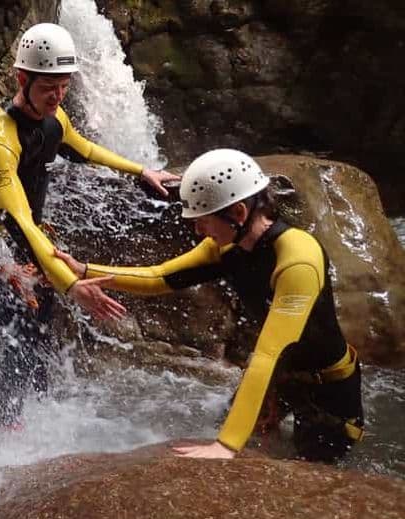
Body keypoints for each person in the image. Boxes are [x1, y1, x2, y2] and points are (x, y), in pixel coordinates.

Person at [54, 148, 364, 463]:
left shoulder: (298, 258)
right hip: (281, 375)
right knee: (231, 427)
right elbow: (159, 277)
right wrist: (84, 270)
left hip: (328, 393)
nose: (197, 230)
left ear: (239, 213)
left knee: (312, 467)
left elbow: (268, 354)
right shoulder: (229, 246)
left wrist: (226, 446)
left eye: (202, 221)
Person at [0, 22, 179, 429]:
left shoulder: (53, 118)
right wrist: (70, 282)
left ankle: (40, 405)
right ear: (22, 78)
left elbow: (83, 149)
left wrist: (141, 170)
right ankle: (8, 426)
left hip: (29, 235)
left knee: (43, 318)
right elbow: (18, 222)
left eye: (64, 86)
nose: (58, 96)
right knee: (20, 317)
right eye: (49, 87)